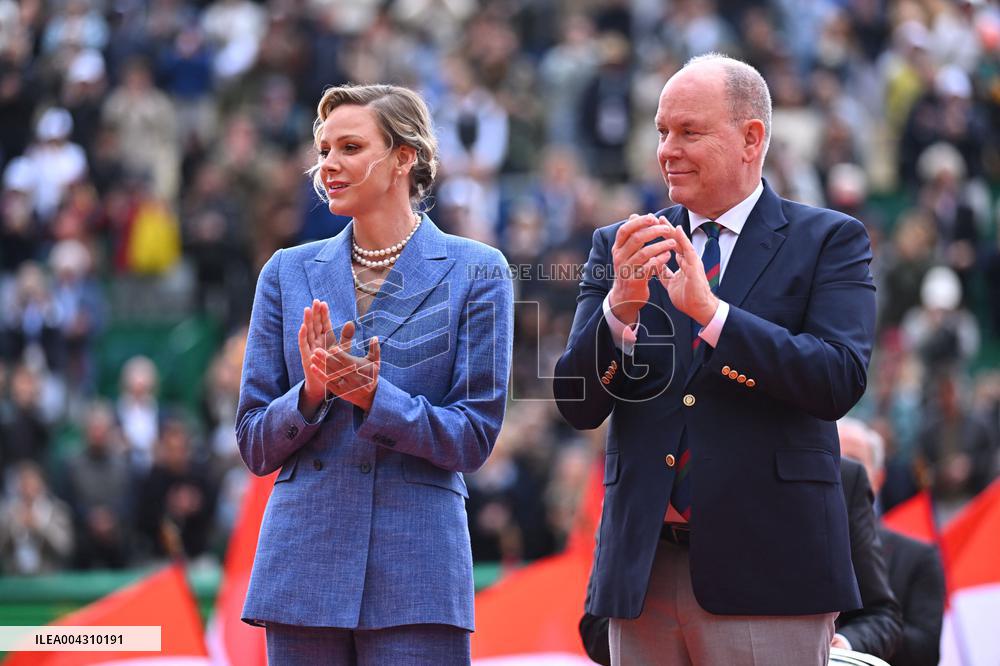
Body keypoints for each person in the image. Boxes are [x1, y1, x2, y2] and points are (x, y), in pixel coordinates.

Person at [553, 53, 877, 665]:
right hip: (642, 575)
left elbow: (837, 379)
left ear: (751, 138)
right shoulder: (620, 245)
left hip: (771, 572)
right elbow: (577, 405)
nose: (667, 150)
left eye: (689, 131)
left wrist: (714, 316)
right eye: (661, 131)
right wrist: (617, 313)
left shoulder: (829, 240)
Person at [236, 84, 513, 665]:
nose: (328, 165)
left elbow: (473, 437)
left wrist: (374, 399)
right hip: (302, 570)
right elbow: (254, 444)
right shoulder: (284, 272)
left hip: (417, 572)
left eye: (350, 147)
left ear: (403, 158)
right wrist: (311, 394)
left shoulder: (478, 270)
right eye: (324, 150)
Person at [578, 456, 902, 664]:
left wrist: (842, 646)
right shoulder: (641, 479)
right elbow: (596, 624)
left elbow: (881, 613)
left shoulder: (842, 480)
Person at [839, 418, 946, 666]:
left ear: (878, 478)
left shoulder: (919, 557)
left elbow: (925, 649)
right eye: (833, 457)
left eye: (852, 460)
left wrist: (849, 640)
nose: (839, 471)